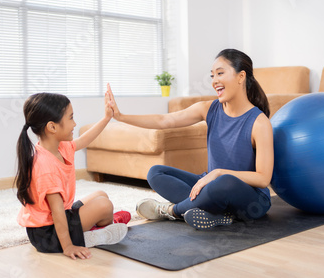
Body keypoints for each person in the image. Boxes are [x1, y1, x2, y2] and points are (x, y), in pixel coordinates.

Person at [108, 49, 274, 230]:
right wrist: (121, 116)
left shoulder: (259, 122)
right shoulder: (208, 109)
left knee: (224, 182)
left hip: (250, 200)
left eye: (220, 73)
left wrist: (218, 173)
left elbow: (263, 179)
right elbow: (164, 120)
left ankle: (170, 211)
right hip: (211, 186)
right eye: (212, 76)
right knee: (156, 173)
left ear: (241, 76)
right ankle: (214, 212)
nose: (214, 81)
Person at [15, 87, 129, 260]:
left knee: (101, 194)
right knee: (104, 205)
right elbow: (57, 212)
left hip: (57, 221)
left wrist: (107, 118)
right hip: (48, 236)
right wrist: (67, 246)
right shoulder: (45, 166)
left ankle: (94, 228)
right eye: (71, 118)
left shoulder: (58, 147)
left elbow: (84, 139)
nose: (75, 124)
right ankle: (94, 233)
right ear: (52, 127)